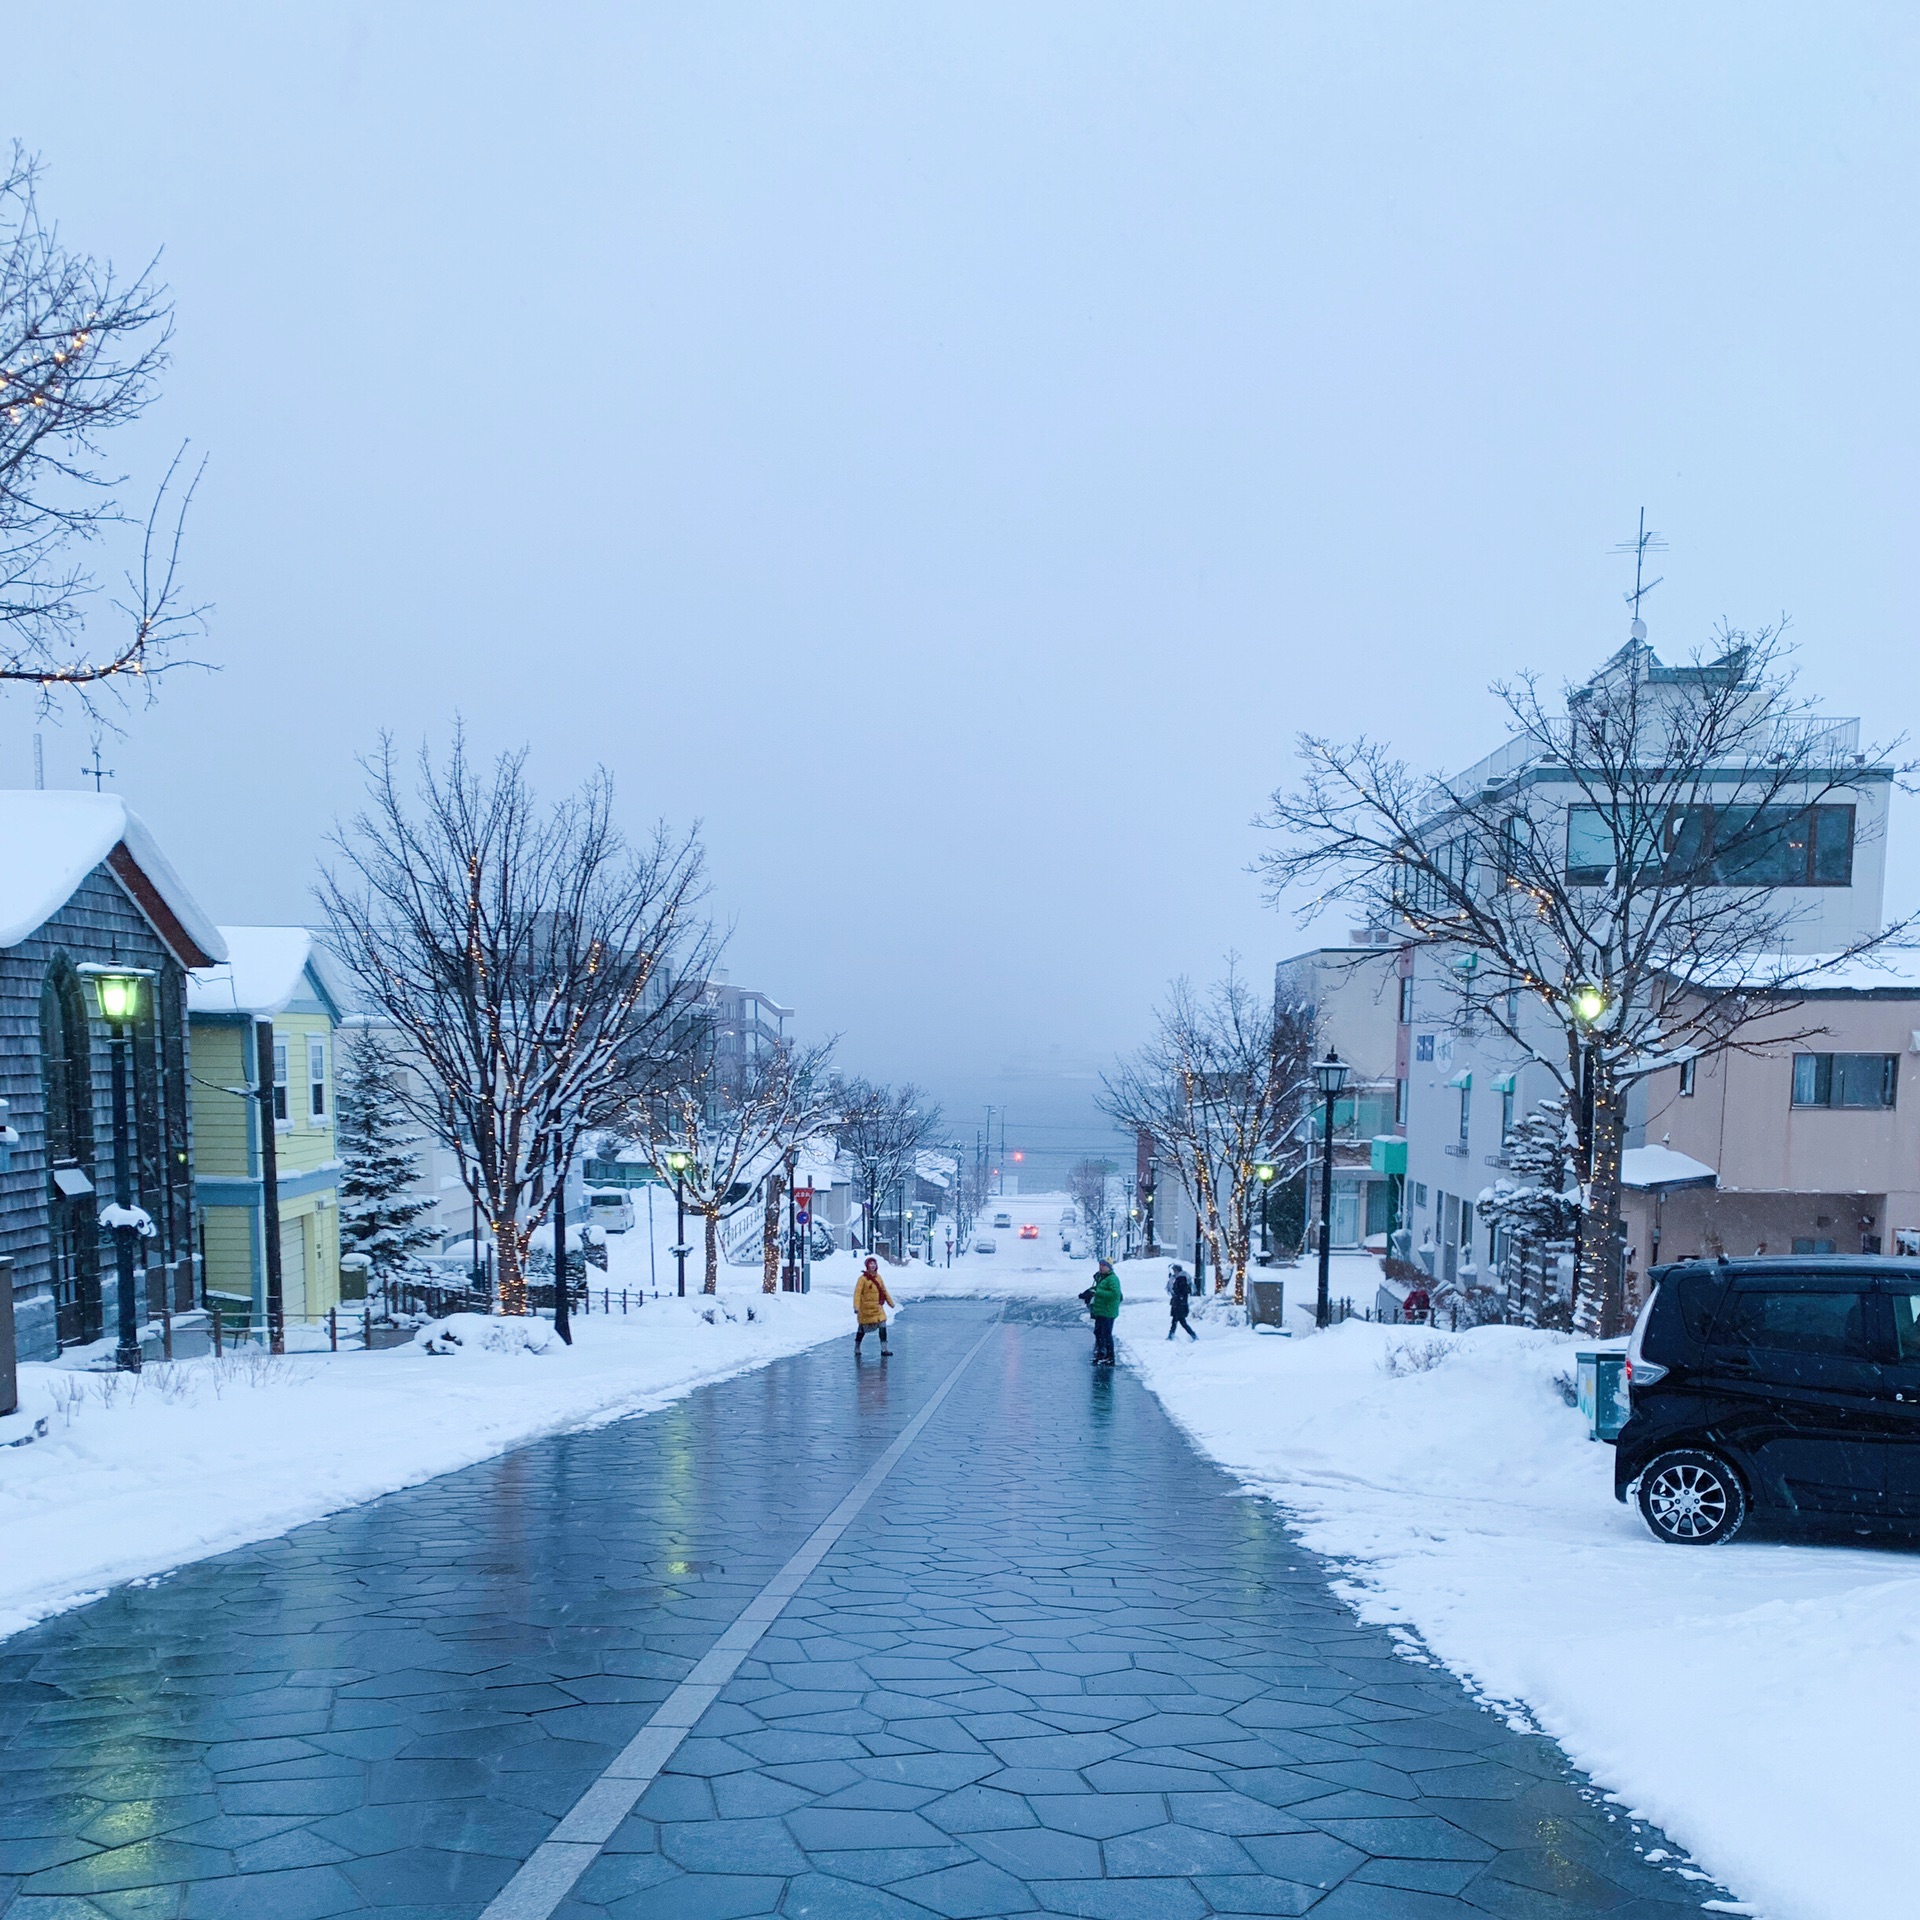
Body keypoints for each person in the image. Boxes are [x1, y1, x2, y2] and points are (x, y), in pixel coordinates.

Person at [853, 1256, 896, 1355]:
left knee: (883, 1324)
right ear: (867, 1265)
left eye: (874, 1263)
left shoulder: (879, 1277)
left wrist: (891, 1303)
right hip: (866, 1309)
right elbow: (857, 1293)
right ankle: (857, 1347)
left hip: (877, 1308)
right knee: (862, 1328)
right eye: (870, 1263)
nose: (873, 1265)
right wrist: (856, 1307)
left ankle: (884, 1349)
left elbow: (884, 1291)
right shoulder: (862, 1279)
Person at [1082, 1257, 1121, 1365]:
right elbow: (1096, 1288)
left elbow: (1115, 1294)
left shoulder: (1112, 1279)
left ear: (1109, 1267)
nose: (1101, 1267)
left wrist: (1097, 1292)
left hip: (1108, 1311)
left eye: (1104, 1265)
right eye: (1100, 1265)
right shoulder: (1102, 1278)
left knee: (1106, 1334)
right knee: (1098, 1332)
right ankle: (1100, 1353)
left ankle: (1110, 1356)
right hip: (1100, 1311)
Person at [1166, 1263, 1197, 1341]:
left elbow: (1179, 1291)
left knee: (1180, 1321)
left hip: (1179, 1304)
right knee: (1177, 1321)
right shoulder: (1180, 1278)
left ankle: (1192, 1335)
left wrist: (1177, 1294)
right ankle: (1171, 1335)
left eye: (1174, 1270)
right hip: (1179, 1303)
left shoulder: (1181, 1278)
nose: (1173, 1272)